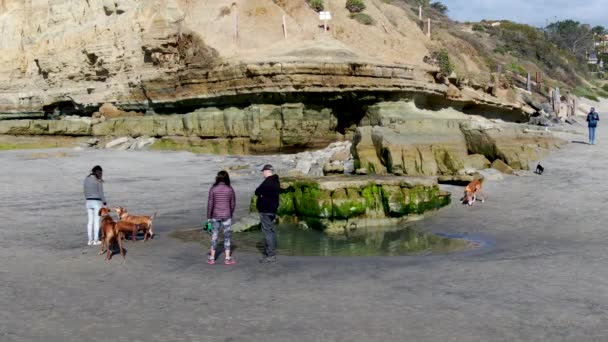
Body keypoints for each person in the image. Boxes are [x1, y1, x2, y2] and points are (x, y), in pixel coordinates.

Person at [206, 170, 236, 265]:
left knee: (214, 236)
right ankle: (227, 259)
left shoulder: (213, 189)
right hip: (227, 215)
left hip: (215, 215)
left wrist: (208, 216)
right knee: (227, 237)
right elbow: (233, 203)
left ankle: (212, 258)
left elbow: (210, 203)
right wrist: (230, 213)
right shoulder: (230, 189)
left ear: (217, 178)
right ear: (227, 178)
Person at [255, 164, 280, 263]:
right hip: (272, 210)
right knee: (271, 230)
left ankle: (270, 255)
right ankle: (273, 250)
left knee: (267, 232)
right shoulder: (276, 181)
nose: (262, 173)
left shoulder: (267, 182)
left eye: (263, 171)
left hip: (265, 210)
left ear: (266, 171)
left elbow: (257, 191)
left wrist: (261, 195)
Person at [83, 165, 106, 246]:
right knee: (96, 221)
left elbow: (84, 191)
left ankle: (90, 241)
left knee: (90, 222)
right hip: (97, 202)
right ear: (98, 172)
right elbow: (101, 193)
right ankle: (96, 240)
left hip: (88, 201)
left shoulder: (86, 179)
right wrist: (104, 202)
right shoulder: (98, 180)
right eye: (101, 172)